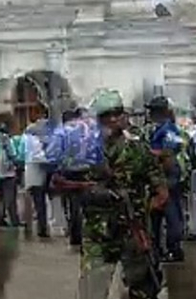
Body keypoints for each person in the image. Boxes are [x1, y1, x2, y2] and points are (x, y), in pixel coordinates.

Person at [78, 90, 167, 299]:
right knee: (92, 289)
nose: (112, 119)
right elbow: (61, 183)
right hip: (97, 232)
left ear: (124, 116)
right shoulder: (85, 151)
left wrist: (140, 212)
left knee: (143, 288)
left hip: (132, 232)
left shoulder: (138, 150)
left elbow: (161, 193)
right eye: (106, 115)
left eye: (117, 113)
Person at [145, 96, 185, 262]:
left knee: (170, 211)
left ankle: (174, 248)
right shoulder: (158, 128)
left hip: (168, 174)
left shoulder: (168, 129)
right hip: (160, 174)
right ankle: (160, 248)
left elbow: (169, 153)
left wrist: (147, 153)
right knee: (157, 213)